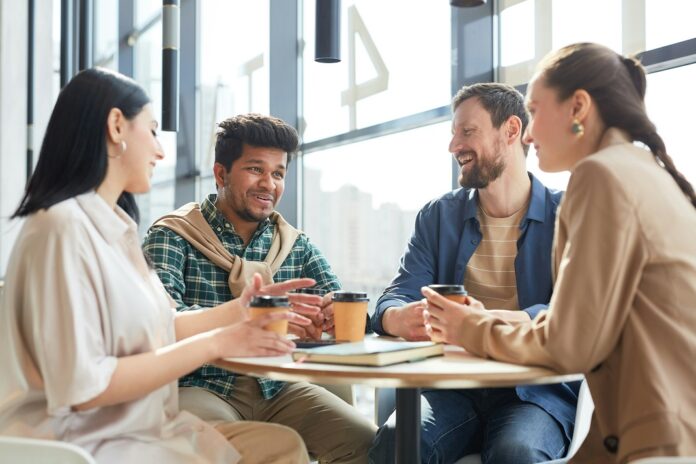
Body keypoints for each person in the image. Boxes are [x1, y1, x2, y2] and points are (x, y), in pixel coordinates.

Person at [0, 68, 317, 463]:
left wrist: (241, 312)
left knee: (284, 447)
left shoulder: (115, 230)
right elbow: (83, 387)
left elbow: (162, 326)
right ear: (117, 126)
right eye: (151, 131)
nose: (160, 151)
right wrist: (218, 342)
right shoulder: (60, 228)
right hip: (85, 444)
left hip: (137, 431)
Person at [421, 43, 696, 463]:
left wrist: (469, 327)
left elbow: (568, 344)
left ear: (578, 108)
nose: (528, 135)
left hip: (653, 441)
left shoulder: (599, 176)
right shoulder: (647, 174)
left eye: (535, 110)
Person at [142, 113, 377, 463]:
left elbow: (352, 315)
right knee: (279, 448)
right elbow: (157, 324)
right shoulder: (173, 235)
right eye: (255, 169)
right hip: (198, 384)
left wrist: (328, 318)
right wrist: (246, 320)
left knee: (369, 443)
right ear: (221, 173)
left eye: (278, 173)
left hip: (277, 385)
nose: (269, 183)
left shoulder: (295, 244)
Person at [369, 83, 579, 464]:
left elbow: (575, 313)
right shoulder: (437, 216)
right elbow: (396, 294)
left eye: (467, 132)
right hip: (452, 387)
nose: (454, 146)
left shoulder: (567, 214)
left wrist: (486, 322)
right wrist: (399, 316)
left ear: (511, 130)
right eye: (453, 133)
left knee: (515, 452)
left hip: (533, 390)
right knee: (396, 441)